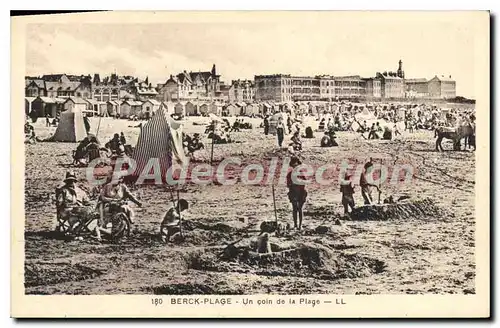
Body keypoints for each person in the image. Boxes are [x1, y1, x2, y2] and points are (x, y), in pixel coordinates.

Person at [97, 174, 142, 241]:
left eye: (119, 179)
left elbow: (130, 196)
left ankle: (126, 226)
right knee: (108, 212)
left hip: (119, 205)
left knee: (125, 209)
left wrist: (137, 202)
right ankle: (107, 228)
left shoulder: (123, 187)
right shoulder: (107, 186)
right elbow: (102, 197)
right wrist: (111, 200)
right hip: (108, 205)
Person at [286, 156, 308, 230]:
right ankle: (295, 225)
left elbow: (305, 181)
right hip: (293, 192)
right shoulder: (290, 174)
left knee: (300, 209)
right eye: (294, 165)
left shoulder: (301, 173)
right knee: (295, 209)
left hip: (301, 192)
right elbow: (288, 184)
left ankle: (300, 225)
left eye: (296, 165)